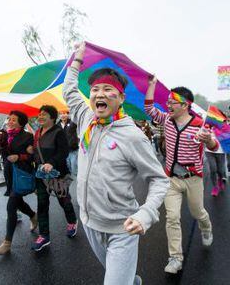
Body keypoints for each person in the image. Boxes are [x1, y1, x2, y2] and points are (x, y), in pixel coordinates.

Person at [63, 43, 169, 285]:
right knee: (122, 278)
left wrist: (145, 214)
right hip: (89, 222)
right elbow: (69, 90)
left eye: (108, 89)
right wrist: (77, 61)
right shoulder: (85, 118)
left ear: (121, 97)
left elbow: (159, 180)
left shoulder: (132, 135)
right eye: (95, 89)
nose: (100, 94)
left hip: (123, 227)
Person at [145, 75, 218, 274]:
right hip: (171, 178)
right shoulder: (167, 119)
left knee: (197, 212)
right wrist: (151, 85)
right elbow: (149, 109)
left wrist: (208, 141)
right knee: (172, 218)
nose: (168, 105)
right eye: (167, 101)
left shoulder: (200, 125)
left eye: (172, 102)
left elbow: (215, 145)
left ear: (185, 105)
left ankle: (206, 227)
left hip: (193, 179)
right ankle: (175, 258)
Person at [31, 105, 78, 251]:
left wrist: (52, 163)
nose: (40, 116)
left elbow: (63, 152)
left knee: (63, 200)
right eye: (39, 114)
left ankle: (72, 221)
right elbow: (37, 152)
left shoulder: (58, 132)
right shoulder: (38, 132)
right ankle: (44, 236)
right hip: (41, 174)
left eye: (44, 114)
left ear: (52, 117)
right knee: (42, 203)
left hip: (58, 174)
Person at [0, 110, 37, 255]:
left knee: (11, 205)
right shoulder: (4, 136)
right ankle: (32, 215)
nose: (10, 122)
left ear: (21, 122)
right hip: (9, 174)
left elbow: (33, 157)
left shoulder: (28, 136)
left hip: (22, 173)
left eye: (13, 120)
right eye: (9, 119)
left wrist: (19, 157)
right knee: (18, 202)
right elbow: (2, 154)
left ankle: (7, 243)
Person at [56, 110, 79, 178]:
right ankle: (71, 183)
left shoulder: (72, 123)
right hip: (63, 151)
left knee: (74, 166)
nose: (63, 115)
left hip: (73, 149)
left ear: (68, 114)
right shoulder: (57, 125)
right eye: (61, 114)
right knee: (68, 167)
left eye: (64, 113)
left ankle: (77, 182)